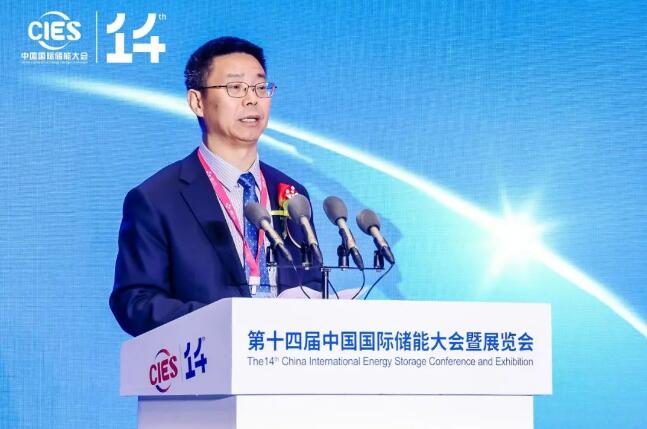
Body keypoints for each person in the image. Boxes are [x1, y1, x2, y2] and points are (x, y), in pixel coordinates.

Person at [110, 37, 321, 337]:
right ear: (197, 102)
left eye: (260, 87)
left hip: (285, 358)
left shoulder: (291, 194)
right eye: (235, 87)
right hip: (206, 359)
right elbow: (135, 301)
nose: (252, 99)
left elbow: (312, 283)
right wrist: (225, 322)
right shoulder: (156, 199)